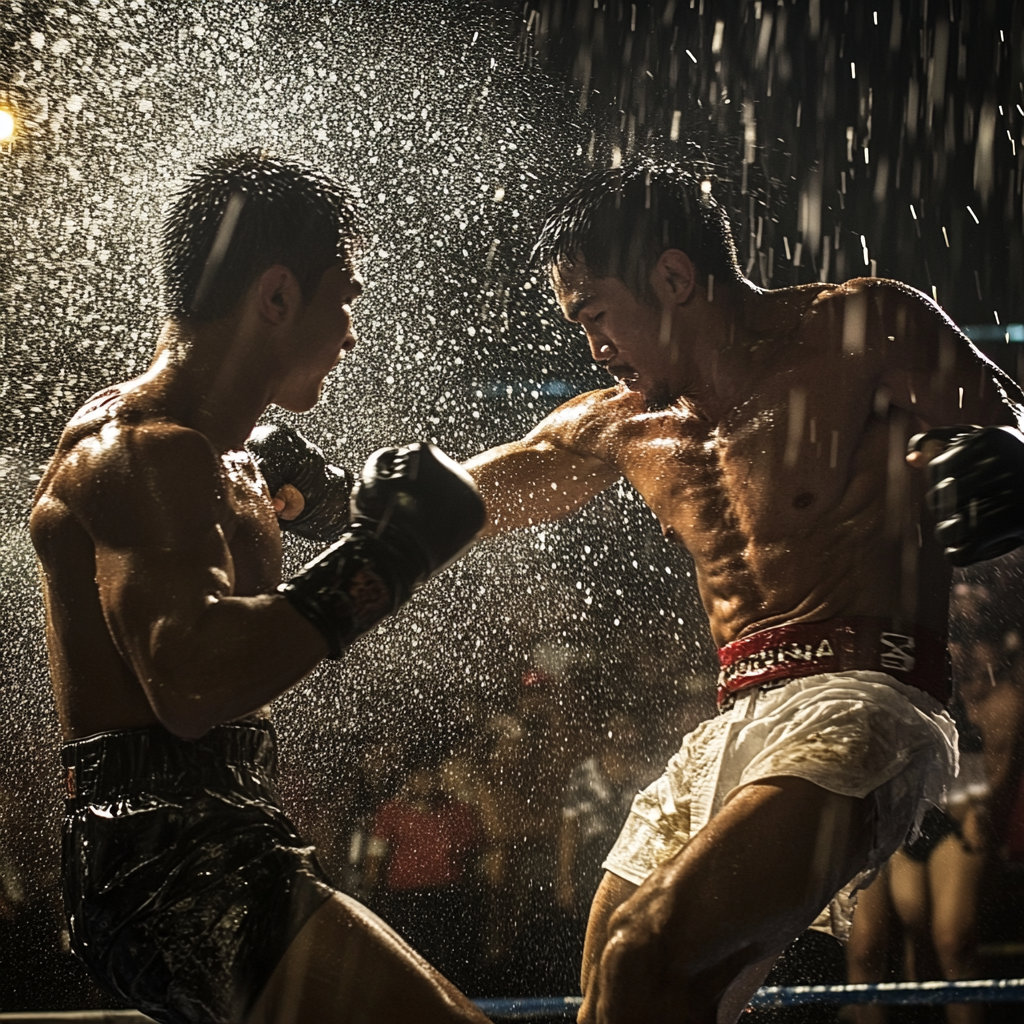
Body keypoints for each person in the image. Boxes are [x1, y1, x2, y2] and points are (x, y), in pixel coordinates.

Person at [462, 161, 1024, 1024]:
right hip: (733, 717)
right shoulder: (624, 422)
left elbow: (1006, 424)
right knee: (616, 987)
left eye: (596, 315)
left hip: (866, 694)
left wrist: (1013, 460)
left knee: (647, 948)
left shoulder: (861, 329)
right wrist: (322, 496)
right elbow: (461, 497)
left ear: (674, 277)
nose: (592, 347)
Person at [29, 151, 490, 1024]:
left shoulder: (229, 458)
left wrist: (361, 517)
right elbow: (191, 680)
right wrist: (385, 556)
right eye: (342, 298)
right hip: (168, 858)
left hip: (213, 838)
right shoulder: (147, 452)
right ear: (276, 296)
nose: (351, 332)